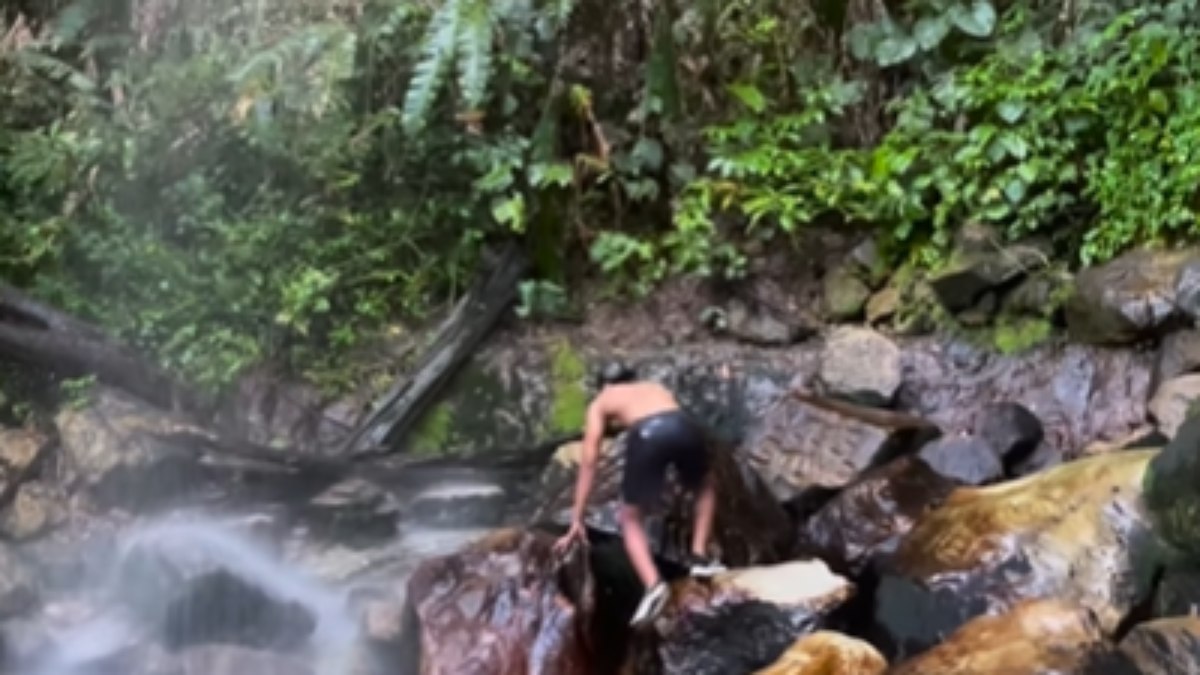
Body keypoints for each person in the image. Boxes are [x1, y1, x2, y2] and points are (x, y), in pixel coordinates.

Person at [552, 362, 726, 626]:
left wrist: (577, 518)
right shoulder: (653, 388)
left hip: (648, 433)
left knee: (630, 517)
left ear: (604, 385)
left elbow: (589, 461)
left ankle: (653, 584)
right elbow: (671, 426)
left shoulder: (601, 401)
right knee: (705, 484)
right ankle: (699, 556)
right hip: (683, 425)